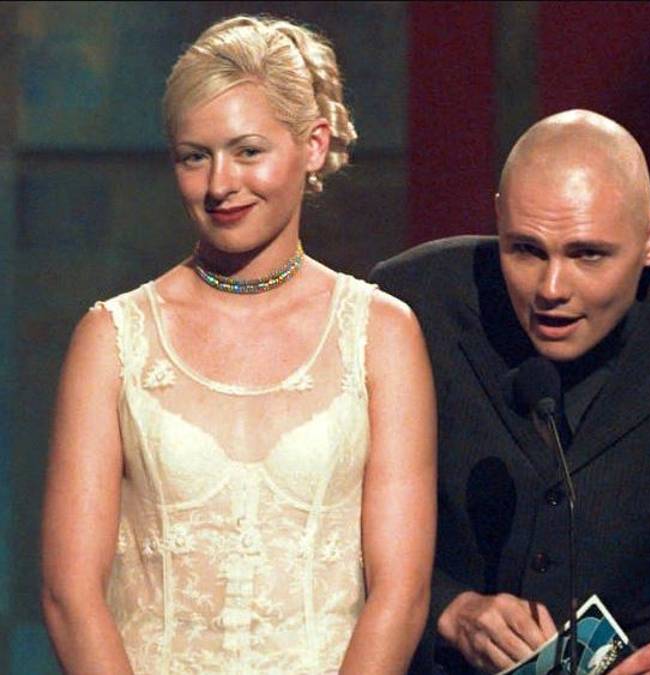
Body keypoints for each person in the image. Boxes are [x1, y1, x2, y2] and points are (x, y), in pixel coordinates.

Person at [40, 15, 436, 674]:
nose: (220, 184)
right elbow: (68, 596)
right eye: (194, 156)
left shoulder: (381, 334)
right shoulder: (112, 338)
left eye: (248, 151)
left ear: (313, 145)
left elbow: (401, 593)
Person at [370, 109, 650, 674]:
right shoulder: (408, 305)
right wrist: (448, 608)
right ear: (498, 218)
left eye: (587, 254)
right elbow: (315, 524)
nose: (551, 289)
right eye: (526, 250)